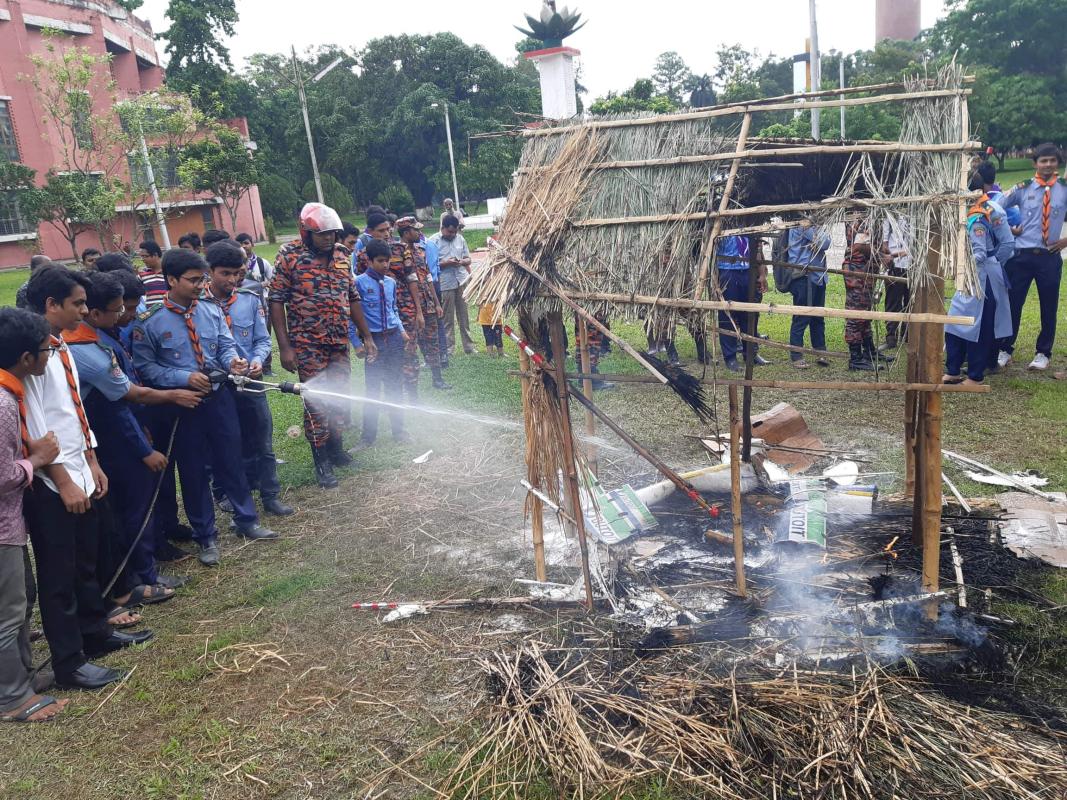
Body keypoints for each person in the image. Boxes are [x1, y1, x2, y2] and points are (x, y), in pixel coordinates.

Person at [23, 267, 152, 690]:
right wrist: (61, 480)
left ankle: (96, 633)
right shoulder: (30, 355)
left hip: (82, 467)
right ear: (51, 305)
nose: (84, 309)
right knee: (60, 574)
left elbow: (77, 414)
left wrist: (92, 461)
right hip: (52, 481)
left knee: (89, 558)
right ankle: (68, 662)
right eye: (78, 304)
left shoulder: (62, 346)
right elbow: (34, 425)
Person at [133, 249, 277, 568]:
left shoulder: (210, 310)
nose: (201, 286)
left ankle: (246, 519)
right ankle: (205, 535)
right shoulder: (151, 322)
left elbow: (224, 343)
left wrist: (233, 361)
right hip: (183, 405)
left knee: (232, 458)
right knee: (194, 469)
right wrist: (183, 377)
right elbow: (146, 367)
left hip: (219, 397)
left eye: (203, 279)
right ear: (171, 280)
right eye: (193, 280)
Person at [67, 273, 204, 607]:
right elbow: (121, 404)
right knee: (135, 509)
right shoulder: (92, 350)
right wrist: (145, 448)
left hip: (122, 435)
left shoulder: (95, 338)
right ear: (95, 314)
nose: (126, 316)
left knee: (130, 509)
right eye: (118, 310)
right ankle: (144, 576)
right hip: (118, 444)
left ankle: (143, 568)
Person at [270, 203, 376, 488]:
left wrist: (366, 335)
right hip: (307, 344)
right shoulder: (289, 256)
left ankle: (337, 450)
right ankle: (322, 461)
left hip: (337, 342)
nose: (329, 239)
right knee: (317, 401)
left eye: (332, 234)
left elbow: (352, 296)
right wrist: (285, 347)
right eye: (322, 235)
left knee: (340, 396)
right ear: (306, 233)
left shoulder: (342, 255)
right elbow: (276, 300)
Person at [0, 308, 69, 722]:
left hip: (10, 523)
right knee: (8, 612)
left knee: (21, 598)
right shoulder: (4, 404)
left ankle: (21, 676)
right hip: (2, 527)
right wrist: (37, 459)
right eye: (46, 350)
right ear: (27, 359)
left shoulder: (10, 392)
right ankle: (11, 698)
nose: (50, 355)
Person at [204, 240, 292, 517]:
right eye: (225, 274)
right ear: (210, 271)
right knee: (229, 446)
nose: (232, 279)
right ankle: (234, 497)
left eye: (237, 273)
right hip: (221, 387)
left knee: (263, 442)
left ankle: (270, 495)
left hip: (252, 383)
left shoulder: (250, 300)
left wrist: (256, 362)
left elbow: (262, 341)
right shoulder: (199, 306)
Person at [994, 143, 1067, 372]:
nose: (1047, 165)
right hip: (1022, 256)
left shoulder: (1064, 189)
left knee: (1048, 306)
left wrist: (1066, 241)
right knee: (1013, 304)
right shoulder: (1023, 188)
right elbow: (995, 207)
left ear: (1058, 163)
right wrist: (1007, 228)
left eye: (1052, 161)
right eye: (1043, 161)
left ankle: (1043, 352)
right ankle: (1005, 349)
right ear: (1034, 163)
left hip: (1049, 256)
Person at [944, 192, 1015, 385]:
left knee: (979, 326)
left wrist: (993, 264)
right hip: (968, 277)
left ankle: (976, 375)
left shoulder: (981, 217)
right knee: (953, 323)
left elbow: (987, 251)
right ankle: (953, 369)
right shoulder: (964, 214)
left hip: (983, 278)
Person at [352, 240, 407, 448]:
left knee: (395, 385)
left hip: (393, 339)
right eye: (381, 261)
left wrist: (402, 332)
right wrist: (357, 343)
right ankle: (367, 437)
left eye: (388, 261)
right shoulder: (359, 283)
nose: (385, 265)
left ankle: (399, 431)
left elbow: (393, 310)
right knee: (373, 389)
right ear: (369, 260)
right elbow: (352, 317)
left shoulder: (391, 283)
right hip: (373, 341)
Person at [396, 216, 450, 391]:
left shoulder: (420, 251)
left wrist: (437, 303)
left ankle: (438, 379)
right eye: (416, 230)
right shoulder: (396, 253)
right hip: (409, 307)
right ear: (406, 232)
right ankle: (410, 387)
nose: (419, 232)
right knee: (410, 346)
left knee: (433, 341)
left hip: (428, 304)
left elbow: (428, 278)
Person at [842, 217, 891, 372]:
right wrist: (881, 255)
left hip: (866, 271)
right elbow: (859, 246)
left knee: (865, 314)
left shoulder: (871, 216)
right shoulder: (860, 218)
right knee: (856, 314)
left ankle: (869, 351)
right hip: (857, 272)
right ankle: (855, 359)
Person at [713, 235, 766, 372]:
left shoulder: (750, 222)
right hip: (727, 270)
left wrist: (762, 274)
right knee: (728, 315)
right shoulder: (723, 222)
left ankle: (751, 353)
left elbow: (758, 249)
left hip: (748, 270)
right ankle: (730, 358)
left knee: (750, 313)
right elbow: (708, 250)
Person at [784, 220, 832, 369]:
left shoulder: (813, 225)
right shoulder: (802, 224)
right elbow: (824, 243)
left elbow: (826, 242)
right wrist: (818, 236)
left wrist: (818, 235)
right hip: (804, 277)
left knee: (818, 316)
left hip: (817, 276)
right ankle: (796, 355)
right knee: (801, 317)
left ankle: (820, 351)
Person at [431, 215, 476, 356]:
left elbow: (468, 259)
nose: (452, 235)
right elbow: (430, 265)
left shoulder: (460, 239)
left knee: (464, 316)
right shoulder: (433, 241)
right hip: (445, 283)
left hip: (461, 280)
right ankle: (449, 348)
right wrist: (446, 263)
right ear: (442, 228)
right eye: (450, 232)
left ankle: (468, 347)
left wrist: (462, 262)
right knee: (447, 318)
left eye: (455, 232)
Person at [880, 215, 911, 352]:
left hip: (912, 265)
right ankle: (891, 337)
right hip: (894, 265)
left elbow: (916, 246)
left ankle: (908, 335)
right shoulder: (890, 215)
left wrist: (894, 255)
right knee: (893, 302)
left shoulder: (916, 214)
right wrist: (888, 256)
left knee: (910, 302)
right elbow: (885, 243)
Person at [420, 228, 449, 368]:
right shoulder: (430, 244)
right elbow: (436, 269)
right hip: (433, 285)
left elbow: (429, 273)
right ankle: (439, 356)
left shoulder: (422, 247)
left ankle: (437, 357)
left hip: (427, 287)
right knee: (436, 322)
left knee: (432, 322)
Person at [136, 241, 167, 310]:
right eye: (141, 256)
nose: (142, 259)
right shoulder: (142, 275)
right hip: (151, 315)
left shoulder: (169, 272)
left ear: (155, 255)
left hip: (169, 313)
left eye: (145, 256)